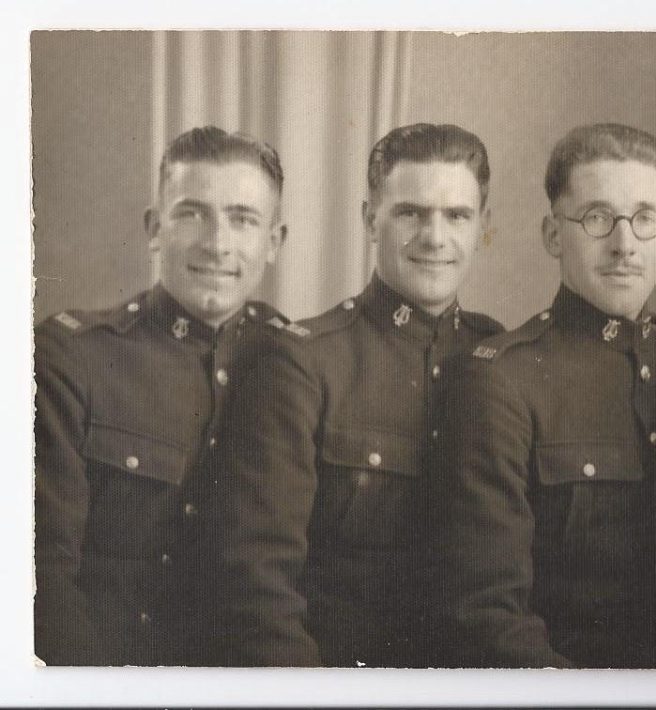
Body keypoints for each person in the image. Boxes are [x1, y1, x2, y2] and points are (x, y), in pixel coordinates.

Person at [214, 123, 503, 667]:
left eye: (457, 216)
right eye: (410, 213)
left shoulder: (503, 360)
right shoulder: (304, 361)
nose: (434, 237)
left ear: (484, 227)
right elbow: (261, 583)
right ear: (371, 220)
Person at [429, 123, 656, 668]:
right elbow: (487, 614)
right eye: (598, 218)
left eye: (645, 219)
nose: (624, 245)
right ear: (554, 235)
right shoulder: (502, 379)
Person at [34, 126, 289, 666]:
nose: (216, 243)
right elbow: (41, 577)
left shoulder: (296, 363)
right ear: (154, 229)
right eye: (192, 213)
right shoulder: (72, 358)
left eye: (243, 219)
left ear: (273, 243)